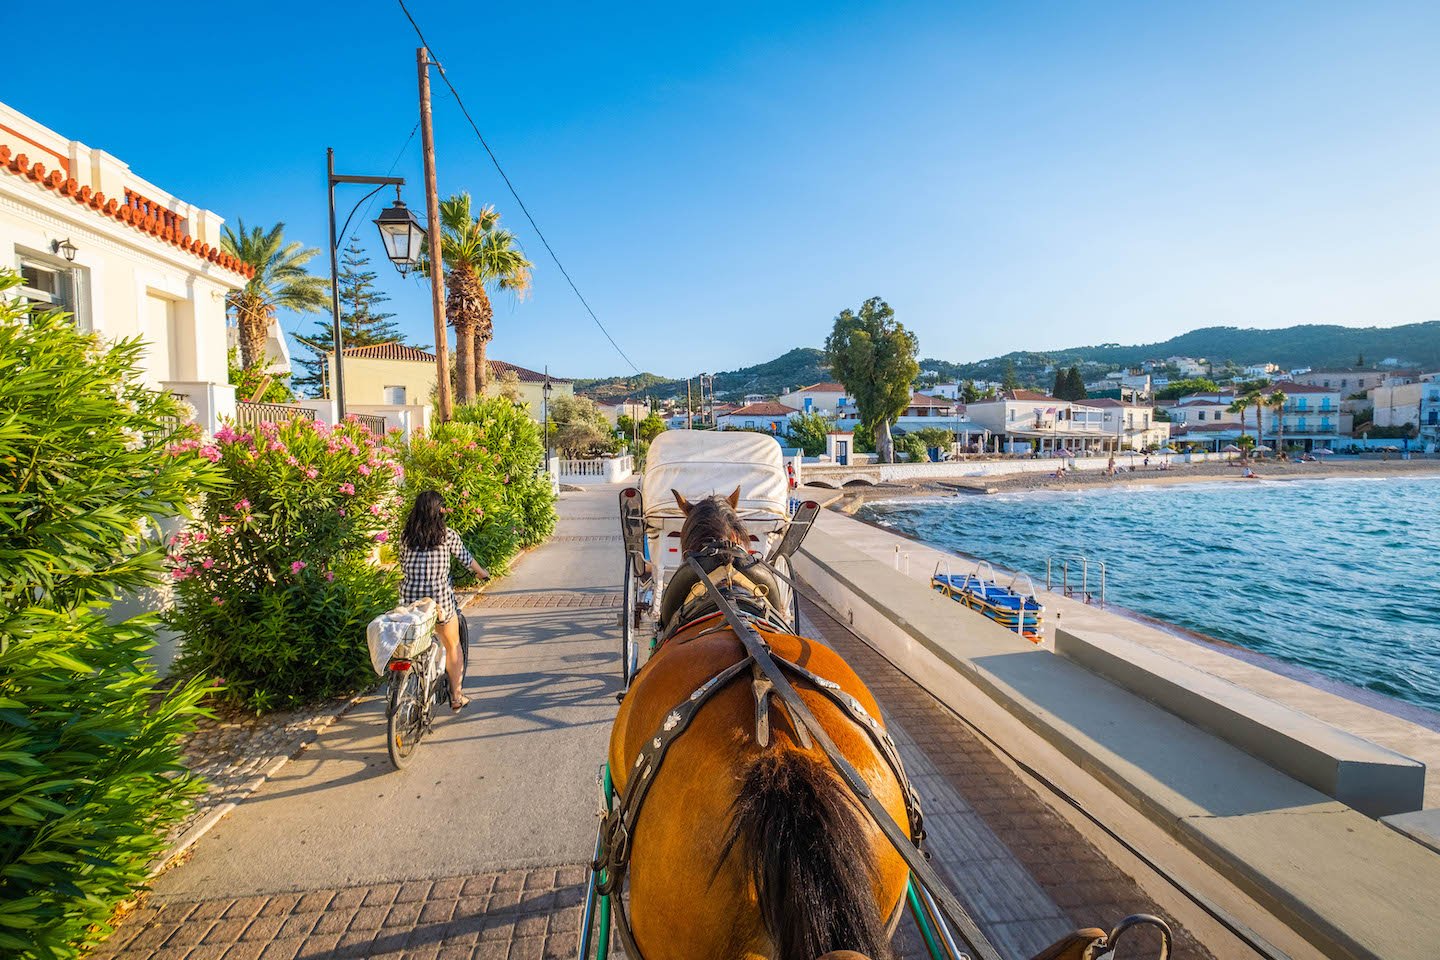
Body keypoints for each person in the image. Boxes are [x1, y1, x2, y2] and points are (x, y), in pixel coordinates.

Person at [399, 491, 489, 710]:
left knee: (414, 644)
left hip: (411, 602)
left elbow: (403, 563)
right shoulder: (447, 535)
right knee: (453, 645)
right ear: (439, 510)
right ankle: (456, 697)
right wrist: (482, 573)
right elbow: (467, 560)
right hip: (439, 602)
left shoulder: (405, 536)